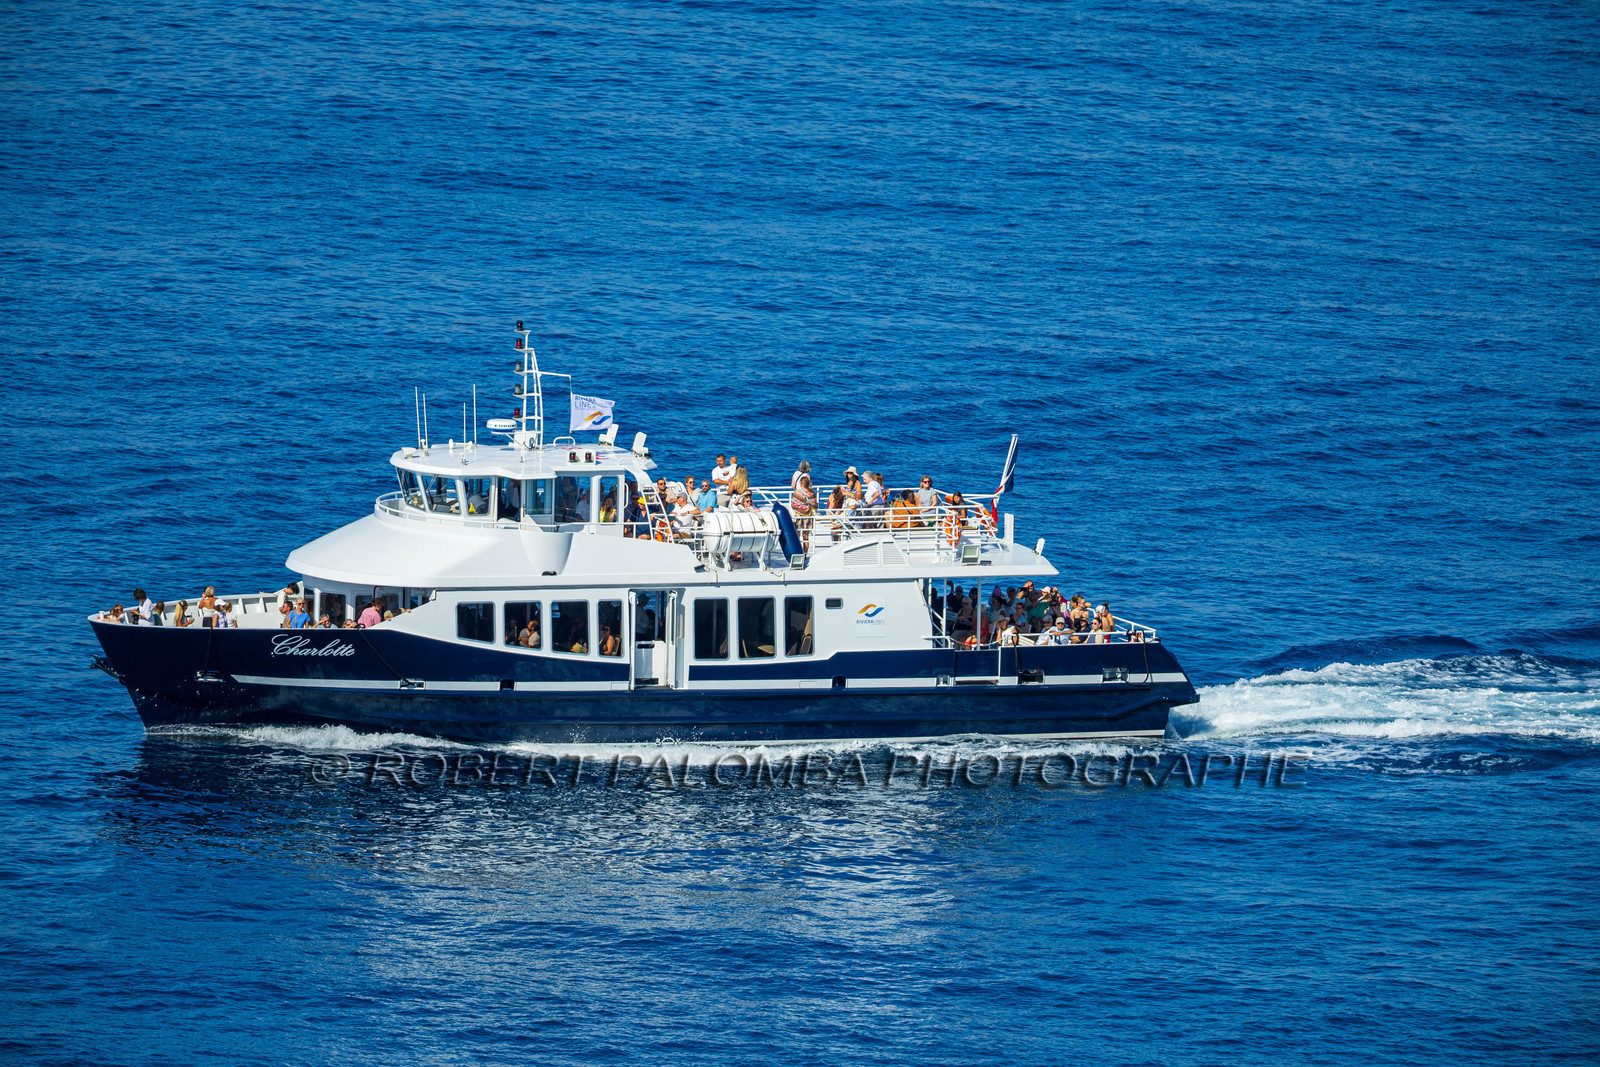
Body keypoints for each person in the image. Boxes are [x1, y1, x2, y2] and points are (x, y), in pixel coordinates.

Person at [790, 473, 816, 549]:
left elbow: (793, 505)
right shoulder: (811, 493)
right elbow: (815, 506)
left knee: (797, 536)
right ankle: (805, 555)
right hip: (807, 517)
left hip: (798, 516)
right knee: (806, 537)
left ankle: (798, 552)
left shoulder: (797, 492)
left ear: (800, 483)